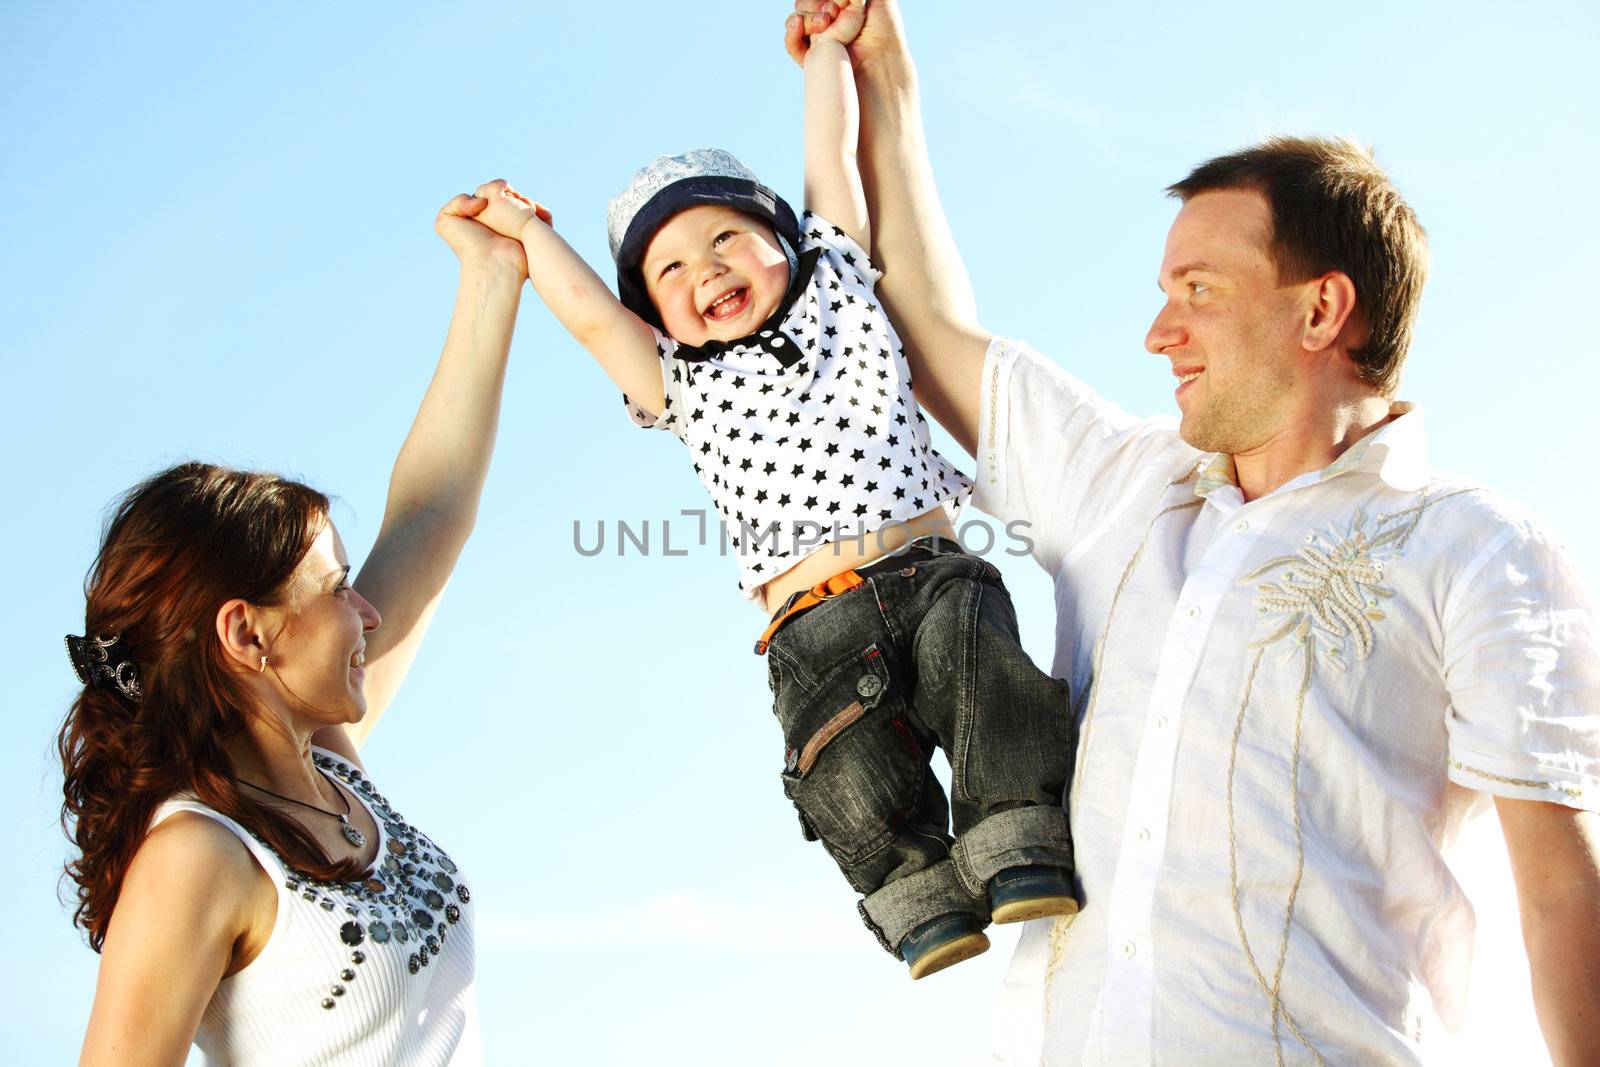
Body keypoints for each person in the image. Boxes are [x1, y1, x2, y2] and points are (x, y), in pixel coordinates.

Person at [786, 1, 1600, 1063]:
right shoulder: (1123, 483)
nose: (1158, 330)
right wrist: (885, 82)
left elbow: (1558, 884)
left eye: (1197, 291)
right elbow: (927, 332)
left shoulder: (1477, 547)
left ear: (1319, 312)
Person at [464, 0, 1076, 980]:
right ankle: (919, 898)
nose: (702, 271)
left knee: (987, 678)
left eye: (723, 239)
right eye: (667, 269)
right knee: (848, 775)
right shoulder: (677, 380)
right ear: (654, 313)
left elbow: (832, 152)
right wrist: (528, 237)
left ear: (782, 237)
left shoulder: (837, 273)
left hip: (931, 573)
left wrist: (825, 50)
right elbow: (585, 316)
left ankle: (1017, 841)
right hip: (813, 628)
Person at [60, 184, 526, 1066]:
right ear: (247, 635)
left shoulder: (330, 771)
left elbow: (433, 512)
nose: (369, 611)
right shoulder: (199, 852)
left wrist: (491, 278)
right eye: (337, 588)